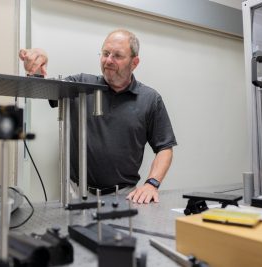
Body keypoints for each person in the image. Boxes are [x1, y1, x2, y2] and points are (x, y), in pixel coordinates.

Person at [19, 29, 177, 204]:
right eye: (105, 53)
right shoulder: (80, 85)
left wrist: (151, 184)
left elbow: (165, 148)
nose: (108, 60)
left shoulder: (150, 99)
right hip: (76, 193)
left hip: (124, 195)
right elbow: (43, 89)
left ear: (134, 62)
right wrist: (37, 70)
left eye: (117, 55)